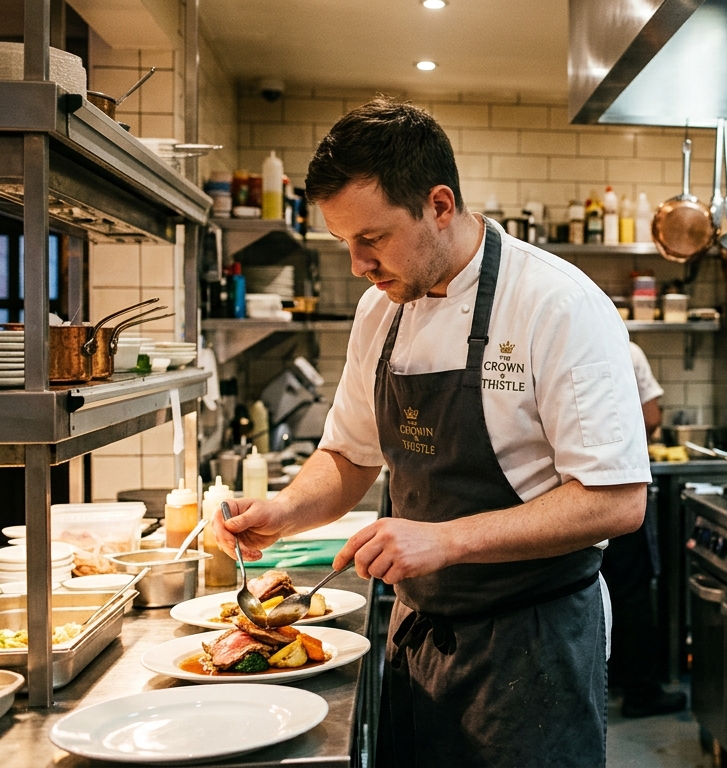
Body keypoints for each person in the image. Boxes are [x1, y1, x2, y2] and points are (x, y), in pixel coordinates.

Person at [211, 99, 650, 767]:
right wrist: (283, 511)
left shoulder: (556, 303)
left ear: (439, 205)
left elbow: (616, 501)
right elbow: (349, 456)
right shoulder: (379, 309)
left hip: (533, 644)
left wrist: (444, 541)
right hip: (417, 636)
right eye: (344, 243)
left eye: (372, 238)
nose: (358, 264)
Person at [601, 342, 688, 717]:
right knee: (632, 591)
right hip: (617, 488)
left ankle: (606, 679)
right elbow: (651, 417)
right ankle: (640, 691)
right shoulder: (627, 348)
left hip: (561, 496)